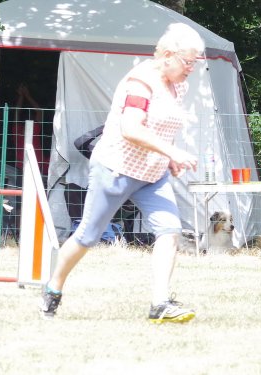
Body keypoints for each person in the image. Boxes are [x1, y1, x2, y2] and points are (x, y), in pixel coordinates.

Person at [39, 23, 205, 323]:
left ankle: (160, 303)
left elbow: (162, 125)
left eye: (195, 62)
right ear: (167, 55)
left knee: (169, 231)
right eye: (188, 61)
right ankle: (53, 289)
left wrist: (167, 157)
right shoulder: (141, 82)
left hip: (152, 175)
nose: (191, 68)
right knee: (87, 237)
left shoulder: (179, 83)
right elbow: (131, 128)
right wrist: (172, 152)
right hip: (116, 169)